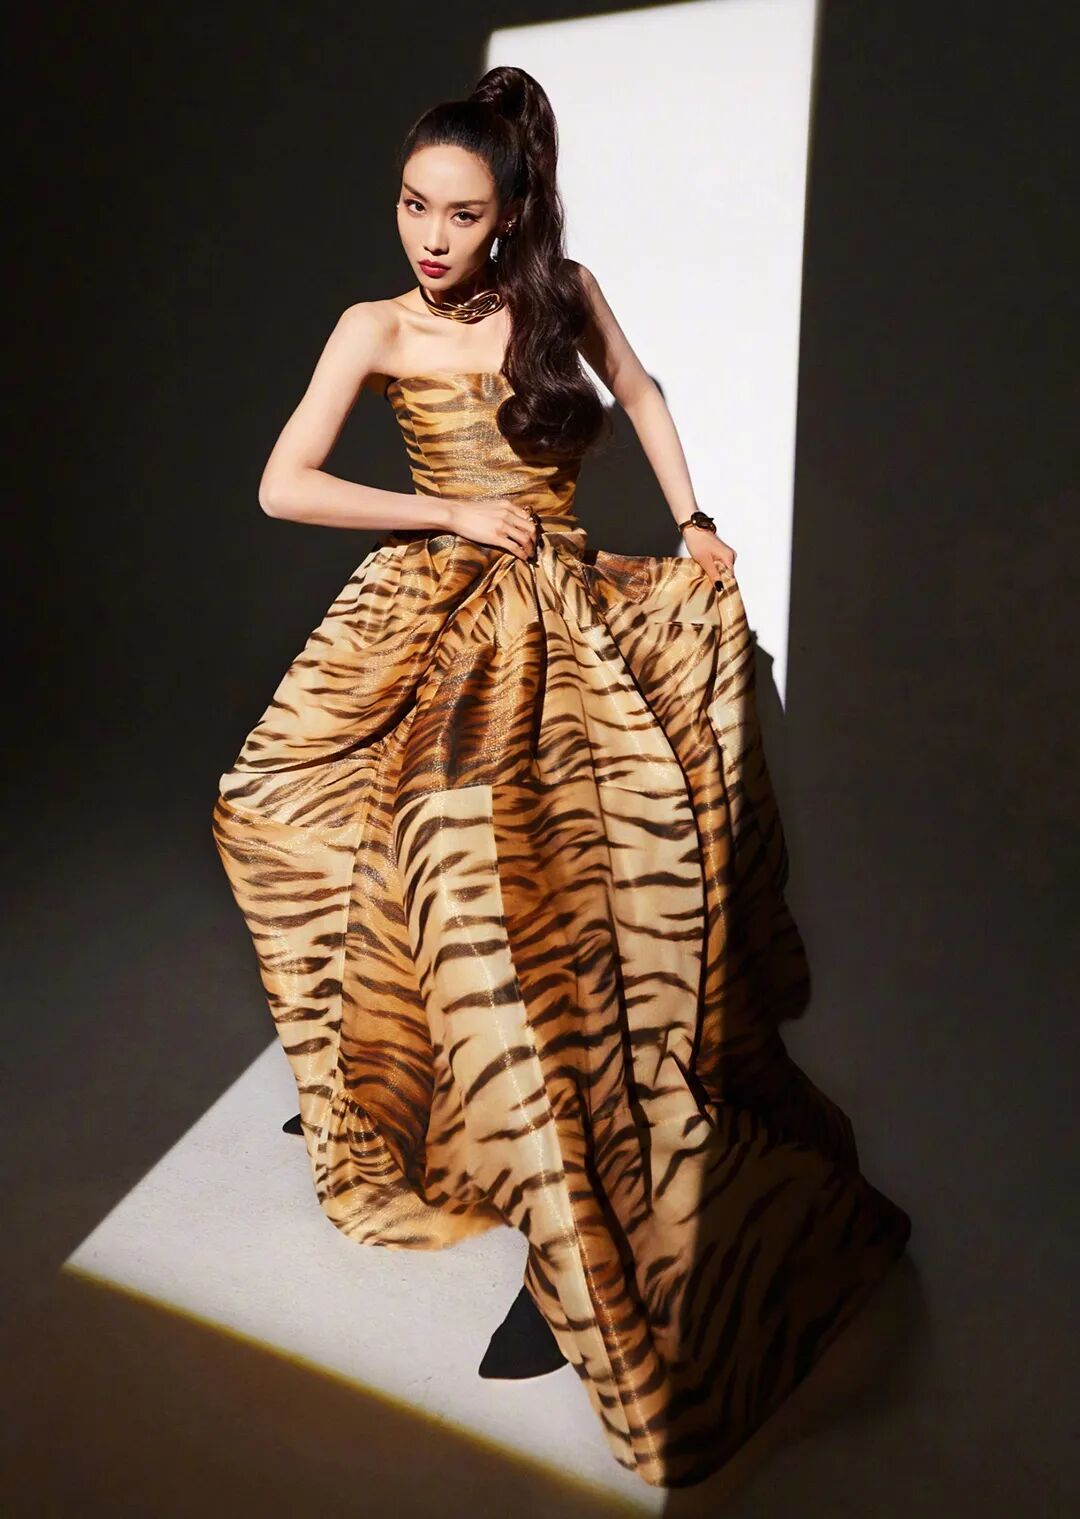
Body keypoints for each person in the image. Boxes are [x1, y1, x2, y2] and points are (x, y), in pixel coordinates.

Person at [212, 64, 912, 1491]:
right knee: (272, 811)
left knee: (523, 904)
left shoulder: (562, 296)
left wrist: (696, 521)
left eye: (461, 215)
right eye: (413, 204)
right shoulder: (374, 324)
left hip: (559, 622)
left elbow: (639, 392)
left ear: (511, 214)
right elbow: (286, 482)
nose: (431, 236)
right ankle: (383, 1077)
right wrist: (446, 509)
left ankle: (571, 1234)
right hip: (428, 603)